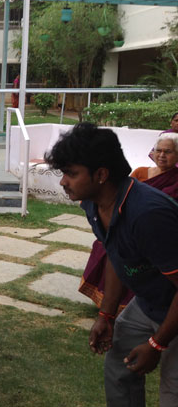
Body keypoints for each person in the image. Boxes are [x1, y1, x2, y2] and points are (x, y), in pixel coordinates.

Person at [45, 122, 178, 407]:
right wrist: (106, 316)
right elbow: (117, 256)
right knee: (119, 367)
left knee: (173, 393)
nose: (63, 182)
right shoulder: (93, 204)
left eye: (71, 173)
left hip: (174, 306)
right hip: (147, 303)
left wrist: (156, 344)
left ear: (101, 174)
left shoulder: (148, 215)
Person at [80, 132, 178, 309]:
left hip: (155, 232)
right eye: (159, 151)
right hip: (124, 224)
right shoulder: (141, 172)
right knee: (106, 247)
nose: (162, 155)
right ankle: (106, 302)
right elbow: (123, 196)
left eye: (168, 152)